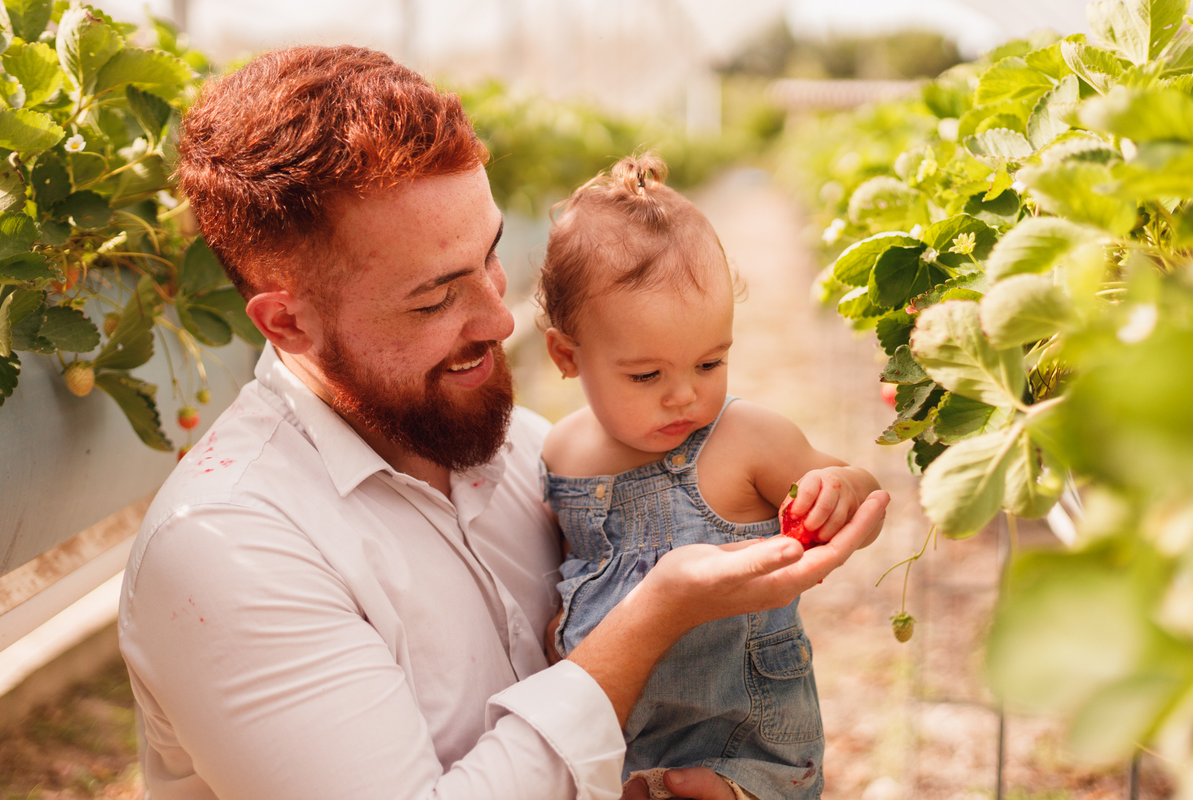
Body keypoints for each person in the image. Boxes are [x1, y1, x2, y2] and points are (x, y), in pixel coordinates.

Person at [117, 45, 890, 800]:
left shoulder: (525, 451)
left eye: (490, 256)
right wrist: (652, 617)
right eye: (434, 299)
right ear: (288, 323)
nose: (500, 318)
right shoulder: (227, 551)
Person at [537, 154, 883, 799]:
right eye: (646, 375)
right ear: (566, 355)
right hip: (611, 739)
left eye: (710, 363)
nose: (684, 396)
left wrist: (841, 490)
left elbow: (857, 485)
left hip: (744, 744)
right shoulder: (561, 451)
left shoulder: (745, 437)